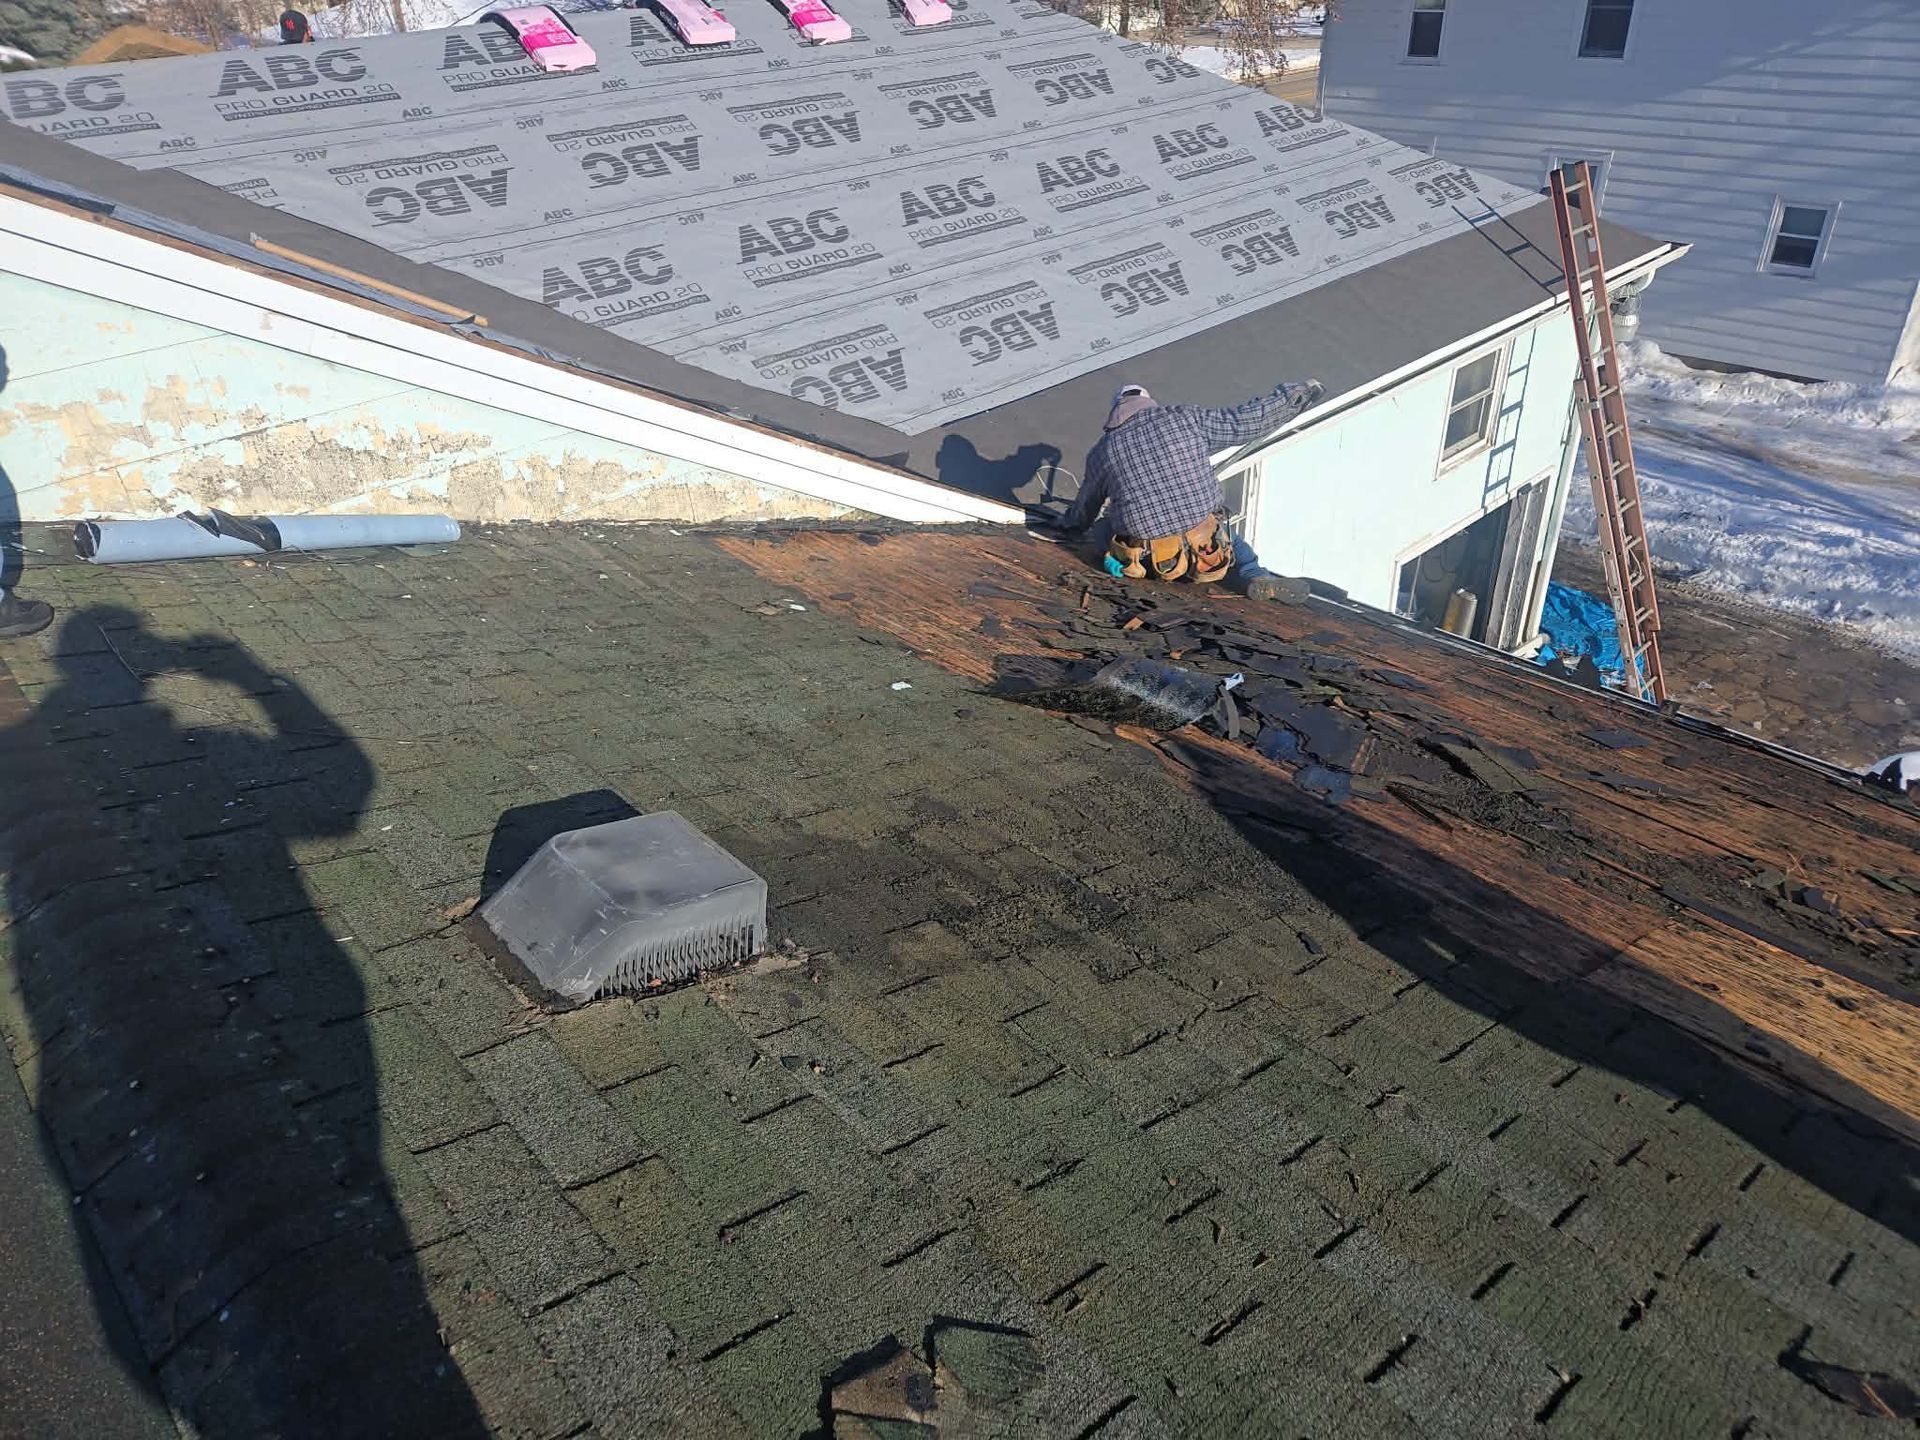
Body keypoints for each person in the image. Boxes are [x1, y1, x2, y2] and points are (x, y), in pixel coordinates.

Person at [1052, 378, 1324, 584]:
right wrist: (1293, 397)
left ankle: (1136, 565)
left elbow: (1086, 506)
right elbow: (1243, 424)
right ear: (1149, 405)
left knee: (1101, 530)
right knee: (1224, 531)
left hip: (1153, 556)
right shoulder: (1183, 419)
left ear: (1116, 414)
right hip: (1206, 540)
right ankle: (1254, 574)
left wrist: (1068, 525)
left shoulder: (1102, 452)